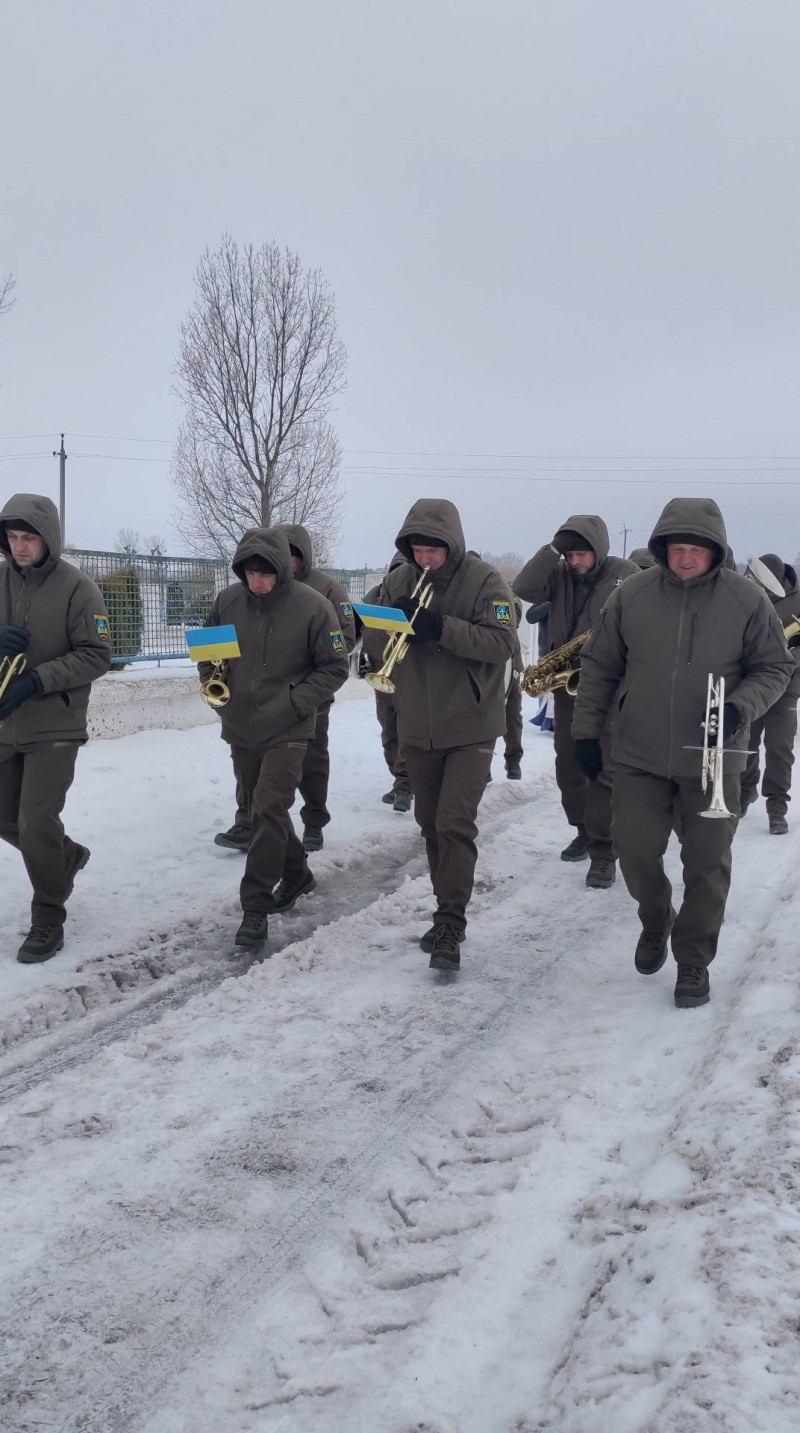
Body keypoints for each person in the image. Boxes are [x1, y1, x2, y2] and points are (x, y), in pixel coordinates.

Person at [572, 498, 793, 1008]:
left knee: (707, 864)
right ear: (662, 547)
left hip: (716, 759)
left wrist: (739, 708)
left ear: (714, 551)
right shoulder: (632, 595)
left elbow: (775, 667)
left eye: (696, 549)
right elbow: (600, 665)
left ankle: (693, 959)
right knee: (634, 852)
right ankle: (656, 919)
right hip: (640, 753)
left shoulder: (746, 600)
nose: (686, 558)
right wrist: (586, 734)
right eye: (677, 548)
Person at [377, 498, 517, 970]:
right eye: (417, 550)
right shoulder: (398, 580)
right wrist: (374, 623)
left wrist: (439, 627)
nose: (425, 560)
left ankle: (450, 923)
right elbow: (377, 641)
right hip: (418, 724)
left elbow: (502, 644)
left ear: (451, 545)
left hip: (471, 725)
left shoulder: (485, 581)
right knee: (431, 825)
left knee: (455, 824)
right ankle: (445, 911)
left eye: (433, 550)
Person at [200, 526, 349, 949]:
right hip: (241, 726)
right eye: (248, 572)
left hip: (289, 726)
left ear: (282, 569)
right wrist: (216, 692)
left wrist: (296, 703)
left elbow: (335, 667)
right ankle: (298, 872)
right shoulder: (228, 601)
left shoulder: (315, 607)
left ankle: (255, 907)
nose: (256, 582)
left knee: (268, 807)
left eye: (264, 573)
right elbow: (208, 653)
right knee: (266, 811)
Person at [0, 494, 112, 962]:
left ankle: (49, 913)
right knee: (5, 815)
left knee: (35, 819)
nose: (20, 546)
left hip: (55, 722)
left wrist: (37, 681)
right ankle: (63, 856)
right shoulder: (0, 579)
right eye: (13, 536)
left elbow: (97, 654)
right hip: (6, 723)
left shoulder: (78, 588)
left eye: (29, 537)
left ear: (49, 538)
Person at [215, 523, 356, 855]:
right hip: (254, 704)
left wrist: (298, 692)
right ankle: (247, 821)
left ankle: (313, 819)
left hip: (306, 700)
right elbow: (213, 648)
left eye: (294, 556)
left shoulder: (327, 591)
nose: (288, 561)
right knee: (250, 770)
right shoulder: (236, 598)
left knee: (313, 760)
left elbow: (342, 643)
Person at [513, 516, 637, 887]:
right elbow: (524, 586)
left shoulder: (626, 573)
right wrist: (552, 550)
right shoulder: (559, 571)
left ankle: (604, 850)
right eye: (569, 554)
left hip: (610, 686)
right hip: (566, 684)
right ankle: (583, 829)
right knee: (568, 766)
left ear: (598, 550)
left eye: (581, 553)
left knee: (601, 769)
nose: (575, 561)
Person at [740, 553, 800, 834]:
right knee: (745, 741)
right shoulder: (748, 596)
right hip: (753, 684)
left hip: (786, 686)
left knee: (779, 747)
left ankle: (777, 808)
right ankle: (744, 791)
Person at [360, 558, 412, 812]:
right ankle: (398, 776)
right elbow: (364, 628)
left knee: (409, 728)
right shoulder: (374, 595)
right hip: (383, 670)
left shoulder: (419, 597)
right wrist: (364, 655)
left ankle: (405, 783)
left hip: (414, 675)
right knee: (388, 727)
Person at [503, 595, 524, 779]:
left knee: (512, 716)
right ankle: (482, 769)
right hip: (483, 667)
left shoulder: (509, 597)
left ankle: (513, 761)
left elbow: (513, 619)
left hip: (510, 665)